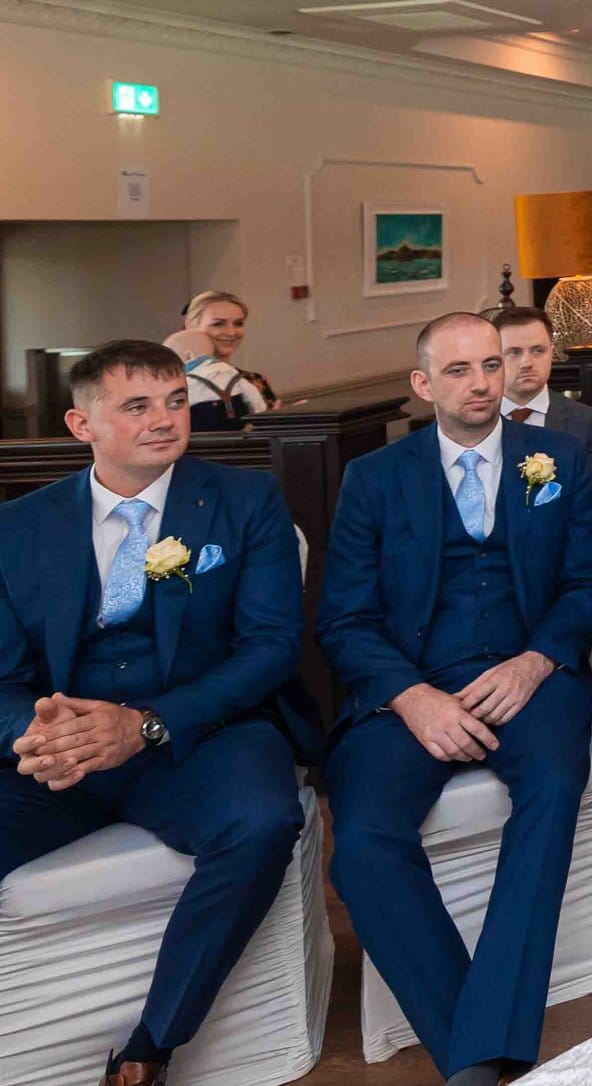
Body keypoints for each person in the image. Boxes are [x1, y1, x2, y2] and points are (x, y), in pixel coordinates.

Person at [2, 340, 317, 1086]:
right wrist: (39, 734)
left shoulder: (247, 502)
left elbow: (270, 648)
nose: (164, 420)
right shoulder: (17, 527)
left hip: (199, 736)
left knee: (263, 822)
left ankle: (152, 1046)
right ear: (83, 425)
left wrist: (144, 723)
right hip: (64, 749)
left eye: (175, 401)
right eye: (137, 406)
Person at [318, 313, 592, 1086]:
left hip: (528, 676)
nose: (482, 382)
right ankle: (480, 1053)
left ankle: (476, 1055)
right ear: (422, 386)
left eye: (491, 364)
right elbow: (343, 619)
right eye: (459, 370)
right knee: (363, 843)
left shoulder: (561, 458)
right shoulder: (374, 479)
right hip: (409, 686)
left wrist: (538, 661)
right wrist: (413, 699)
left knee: (552, 784)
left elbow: (587, 582)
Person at [494, 307, 592, 523]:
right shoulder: (477, 419)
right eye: (514, 352)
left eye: (537, 350)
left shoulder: (584, 422)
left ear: (552, 352)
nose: (527, 362)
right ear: (495, 358)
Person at [181, 290, 278, 408]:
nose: (231, 332)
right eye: (218, 324)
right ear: (190, 327)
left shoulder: (255, 381)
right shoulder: (176, 384)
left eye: (238, 323)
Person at [163, 327, 266, 431]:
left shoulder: (187, 380)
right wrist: (258, 418)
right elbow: (253, 396)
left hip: (203, 429)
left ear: (189, 356)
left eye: (171, 361)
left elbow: (175, 406)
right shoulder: (230, 371)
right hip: (237, 426)